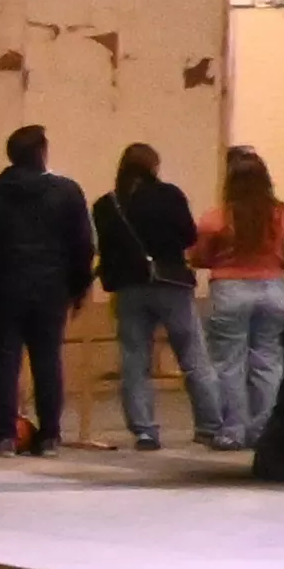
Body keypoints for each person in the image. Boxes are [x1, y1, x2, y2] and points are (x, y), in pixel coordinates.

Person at [0, 122, 95, 453]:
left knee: (3, 361)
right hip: (51, 289)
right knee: (47, 360)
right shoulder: (66, 192)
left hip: (2, 288)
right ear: (42, 152)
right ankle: (49, 434)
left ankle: (0, 435)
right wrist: (78, 287)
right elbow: (82, 245)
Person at [97, 139, 205, 452]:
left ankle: (144, 431)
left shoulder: (107, 204)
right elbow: (189, 235)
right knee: (192, 355)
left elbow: (106, 247)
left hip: (129, 287)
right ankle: (210, 424)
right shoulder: (169, 195)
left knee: (134, 361)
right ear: (153, 166)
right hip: (171, 282)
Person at [199, 143, 284, 449]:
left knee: (229, 364)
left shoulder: (218, 218)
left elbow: (199, 256)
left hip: (230, 290)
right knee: (268, 361)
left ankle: (233, 430)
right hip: (273, 288)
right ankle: (264, 430)